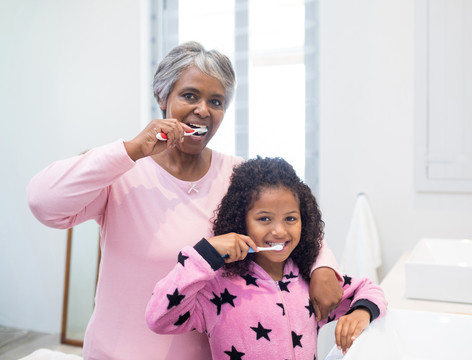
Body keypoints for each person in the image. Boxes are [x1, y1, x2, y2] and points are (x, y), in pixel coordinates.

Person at [26, 41, 343, 360]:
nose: (203, 110)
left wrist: (323, 267)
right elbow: (43, 203)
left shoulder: (238, 175)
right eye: (190, 95)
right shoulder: (123, 171)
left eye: (216, 101)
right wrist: (132, 150)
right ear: (162, 97)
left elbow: (289, 225)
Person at [146, 157, 387, 359]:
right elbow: (159, 318)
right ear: (242, 221)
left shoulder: (308, 279)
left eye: (290, 219)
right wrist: (206, 254)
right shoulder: (216, 286)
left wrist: (360, 313)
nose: (280, 231)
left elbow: (371, 290)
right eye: (264, 219)